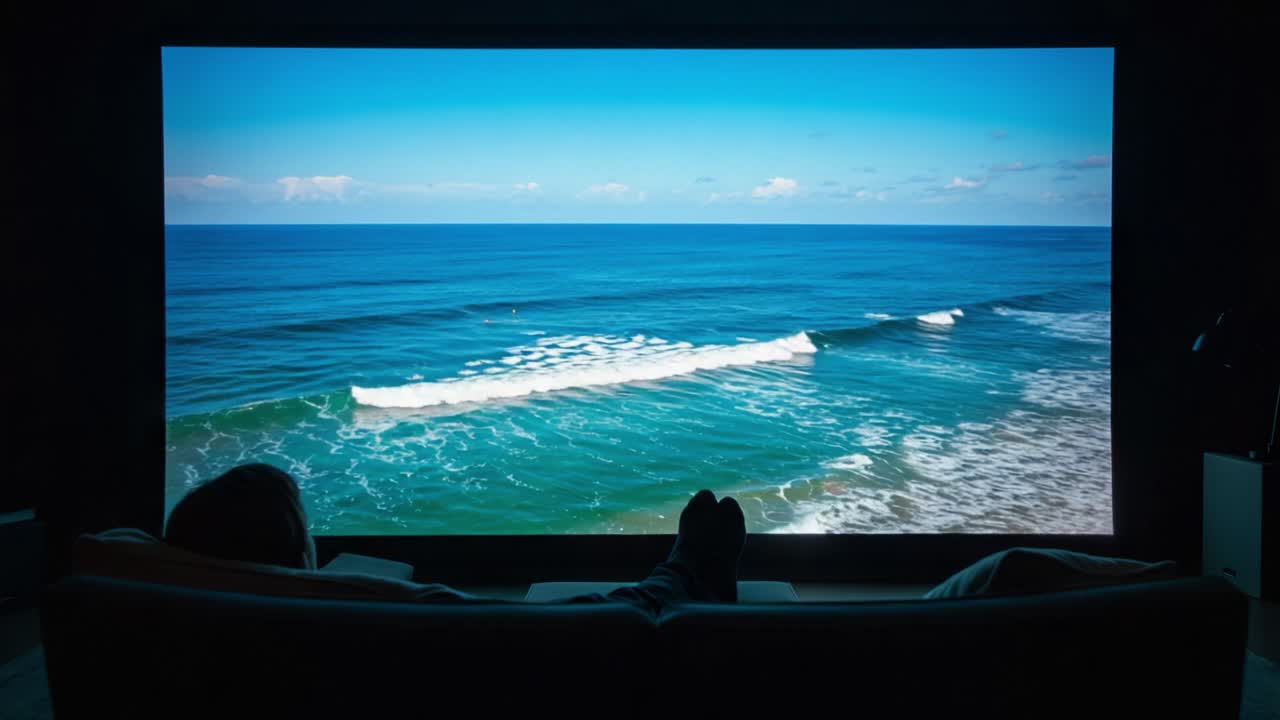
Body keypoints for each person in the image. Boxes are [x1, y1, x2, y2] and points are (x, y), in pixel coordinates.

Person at [164, 463, 745, 612]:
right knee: (622, 609)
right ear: (299, 556)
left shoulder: (151, 619)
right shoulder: (389, 613)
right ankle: (691, 568)